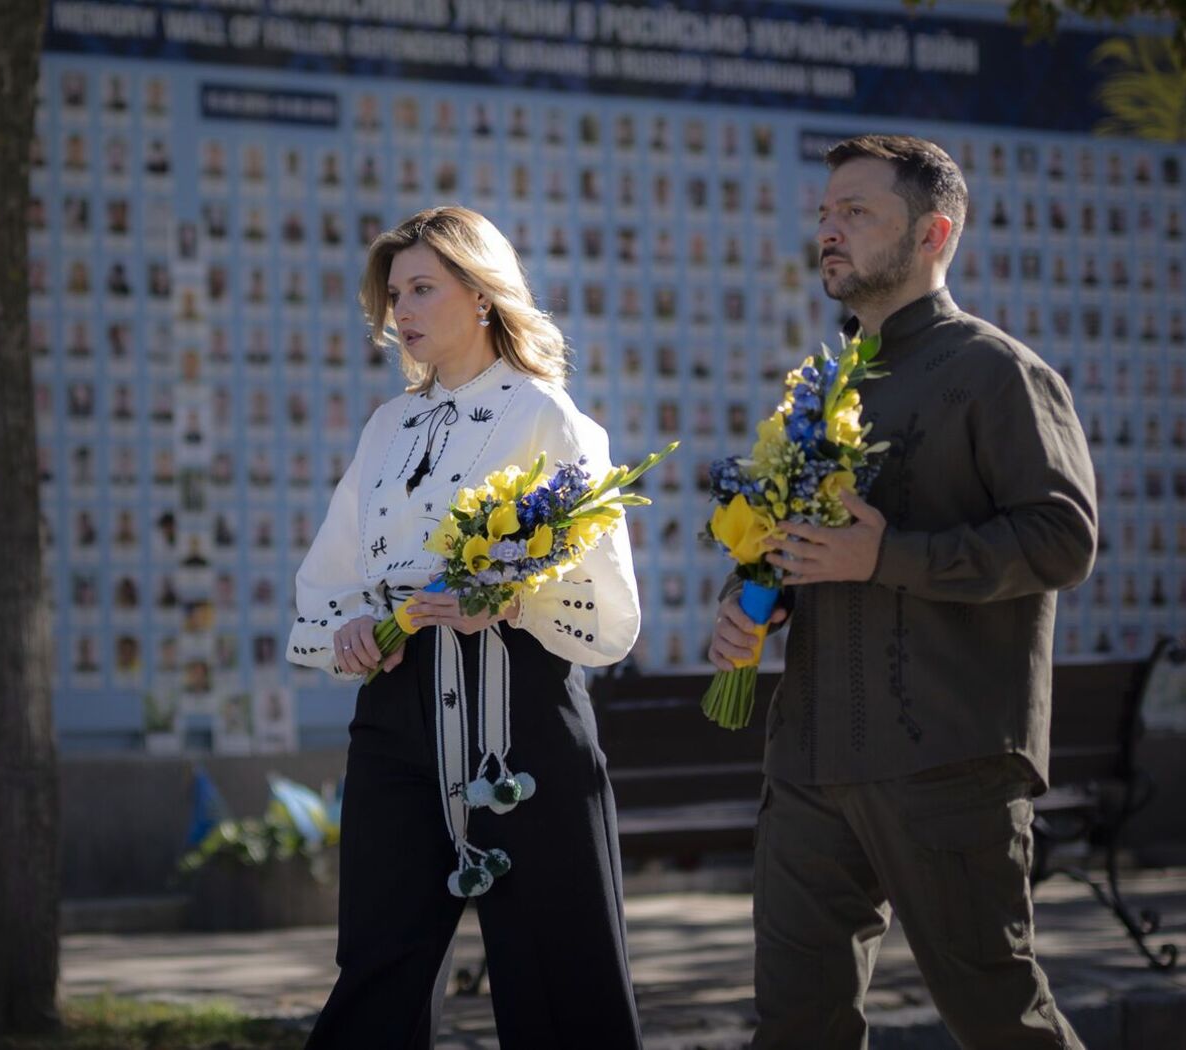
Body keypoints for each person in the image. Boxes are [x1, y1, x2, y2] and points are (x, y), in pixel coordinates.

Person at [708, 135, 1096, 1050]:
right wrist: (751, 598)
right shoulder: (825, 383)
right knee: (795, 1026)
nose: (829, 231)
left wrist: (888, 558)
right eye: (825, 214)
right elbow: (806, 543)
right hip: (807, 757)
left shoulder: (1000, 373)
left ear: (934, 233)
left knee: (1000, 1020)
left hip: (947, 756)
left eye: (858, 213)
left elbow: (1062, 539)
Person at [291, 207, 643, 1047]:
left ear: (482, 295)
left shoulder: (548, 417)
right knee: (378, 964)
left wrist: (512, 602)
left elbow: (611, 609)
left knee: (563, 973)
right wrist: (349, 629)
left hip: (521, 714)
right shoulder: (386, 427)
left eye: (422, 289)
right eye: (393, 294)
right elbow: (332, 577)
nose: (400, 312)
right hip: (394, 716)